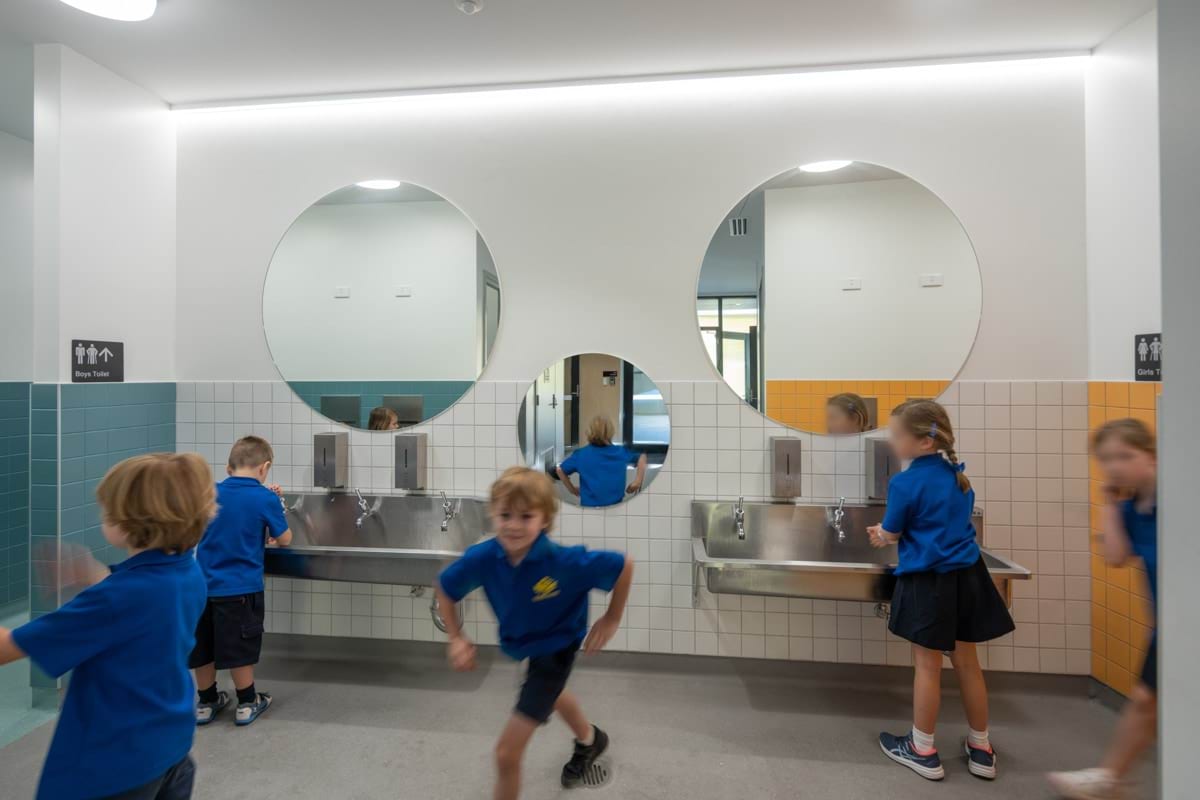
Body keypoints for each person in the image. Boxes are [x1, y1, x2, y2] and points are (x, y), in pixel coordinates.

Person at [0, 453, 214, 799]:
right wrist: (93, 576)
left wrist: (98, 588)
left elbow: (8, 647)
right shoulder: (188, 574)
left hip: (109, 769)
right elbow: (141, 610)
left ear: (129, 522)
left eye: (107, 509)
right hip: (168, 750)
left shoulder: (114, 600)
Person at [435, 466, 634, 800]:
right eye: (505, 515)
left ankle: (588, 740)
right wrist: (456, 636)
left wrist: (612, 618)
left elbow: (623, 565)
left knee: (506, 754)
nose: (513, 525)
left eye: (525, 516)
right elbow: (444, 588)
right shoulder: (483, 558)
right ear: (492, 515)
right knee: (552, 694)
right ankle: (590, 740)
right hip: (527, 643)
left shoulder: (564, 562)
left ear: (544, 520)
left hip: (557, 647)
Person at [868, 399, 1014, 782]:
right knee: (968, 664)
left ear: (924, 443)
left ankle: (922, 748)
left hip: (928, 583)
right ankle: (981, 748)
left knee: (927, 667)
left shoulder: (904, 483)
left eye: (897, 435)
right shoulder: (958, 478)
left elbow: (893, 530)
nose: (892, 440)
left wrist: (881, 535)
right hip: (967, 578)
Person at [1048, 419, 1158, 799]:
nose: (1115, 466)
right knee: (1145, 702)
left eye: (1125, 456)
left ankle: (1110, 778)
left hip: (1182, 621)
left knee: (1146, 702)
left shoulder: (1178, 497)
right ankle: (1111, 779)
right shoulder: (1132, 509)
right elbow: (1114, 555)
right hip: (1172, 626)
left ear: (1152, 457)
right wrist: (1110, 504)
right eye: (1106, 459)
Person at [190, 435, 292, 727]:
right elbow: (284, 539)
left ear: (227, 467)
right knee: (238, 648)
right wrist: (271, 519)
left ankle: (207, 701)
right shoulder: (264, 497)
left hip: (202, 587)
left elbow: (212, 529)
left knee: (203, 648)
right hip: (241, 589)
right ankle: (247, 701)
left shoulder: (209, 493)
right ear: (265, 467)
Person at [556, 415, 648, 507]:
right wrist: (637, 481)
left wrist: (572, 490)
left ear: (590, 431)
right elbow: (642, 457)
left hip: (588, 508)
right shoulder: (620, 452)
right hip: (616, 507)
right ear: (611, 432)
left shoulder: (581, 454)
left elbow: (560, 470)